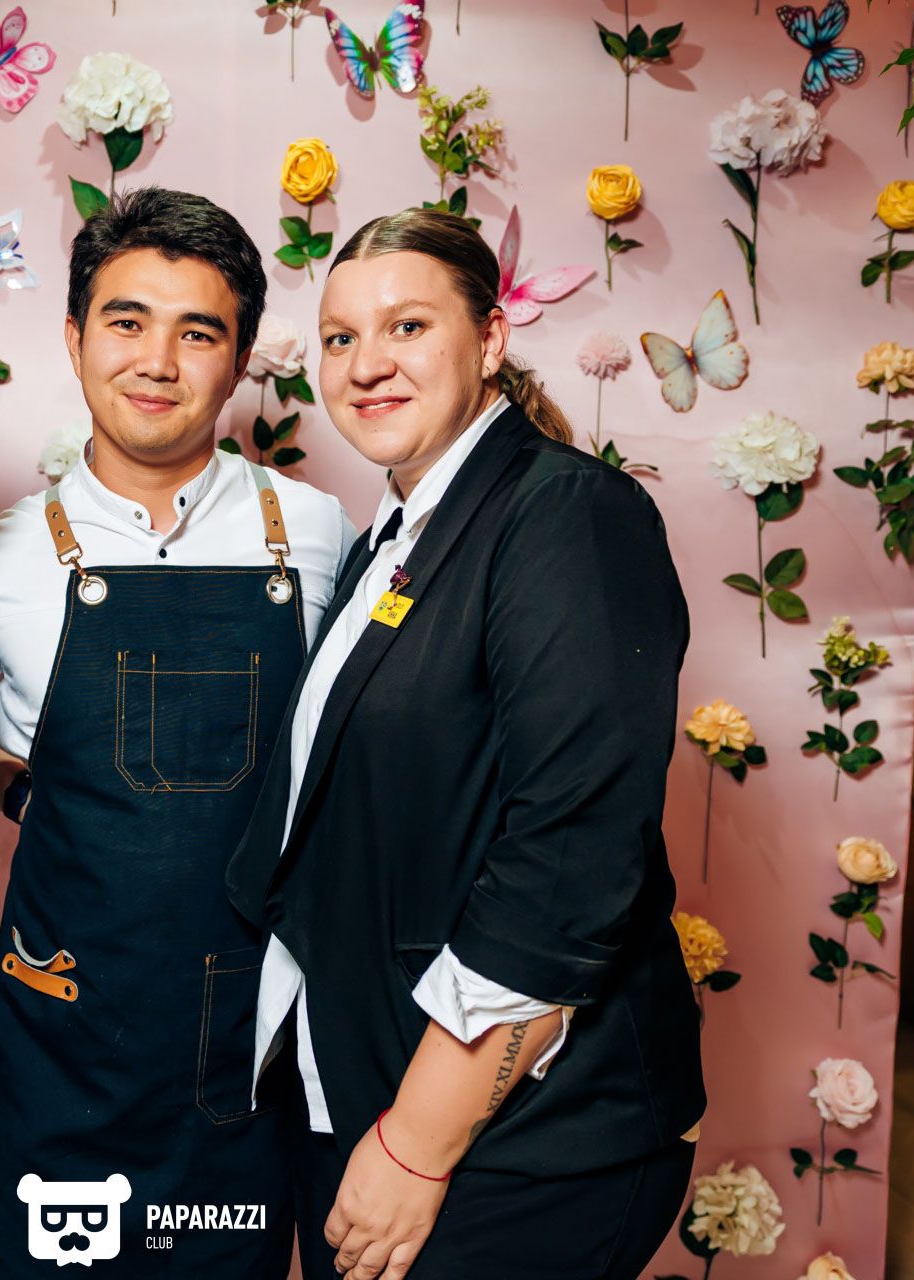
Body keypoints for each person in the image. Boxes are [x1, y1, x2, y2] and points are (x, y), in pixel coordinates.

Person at [226, 207, 706, 1280]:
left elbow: (572, 859)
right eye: (341, 337)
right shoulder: (396, 537)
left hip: (518, 1138)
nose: (366, 364)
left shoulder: (568, 514)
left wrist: (417, 1141)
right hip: (371, 1086)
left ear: (490, 339)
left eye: (406, 326)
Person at [0, 187, 356, 1278]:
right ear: (74, 338)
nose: (157, 361)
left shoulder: (317, 533)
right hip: (61, 1037)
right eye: (126, 321)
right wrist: (35, 792)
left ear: (240, 359)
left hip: (245, 1048)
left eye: (198, 332)